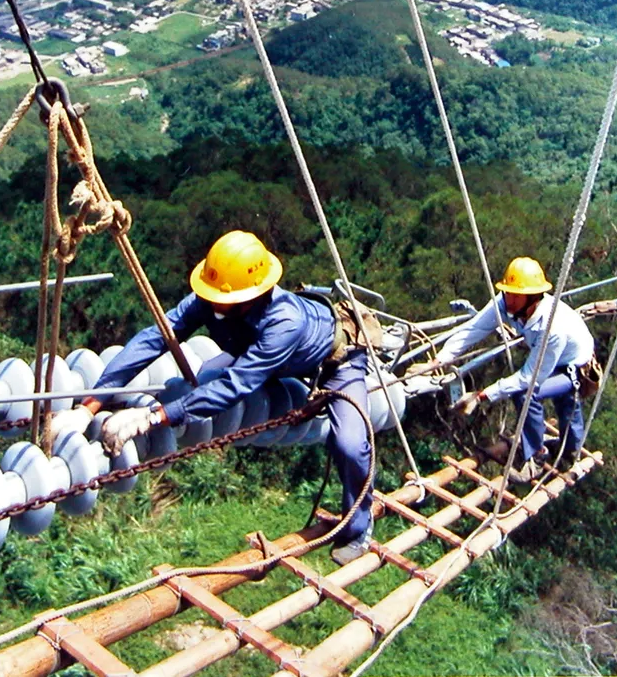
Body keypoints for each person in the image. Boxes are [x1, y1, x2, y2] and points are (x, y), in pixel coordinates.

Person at [51, 230, 376, 565]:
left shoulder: (284, 323)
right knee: (203, 377)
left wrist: (152, 417)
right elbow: (156, 338)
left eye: (222, 297)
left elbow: (236, 384)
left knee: (350, 444)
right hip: (256, 353)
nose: (212, 302)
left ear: (252, 294)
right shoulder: (212, 300)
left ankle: (359, 529)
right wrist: (90, 407)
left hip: (335, 362)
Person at [410, 256, 594, 482]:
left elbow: (529, 378)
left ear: (533, 297)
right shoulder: (505, 302)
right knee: (554, 402)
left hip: (573, 366)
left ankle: (539, 456)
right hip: (551, 358)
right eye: (507, 293)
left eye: (515, 295)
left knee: (529, 395)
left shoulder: (553, 328)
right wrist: (437, 361)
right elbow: (473, 330)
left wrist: (482, 395)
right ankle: (561, 448)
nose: (509, 299)